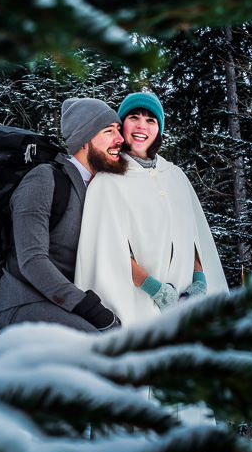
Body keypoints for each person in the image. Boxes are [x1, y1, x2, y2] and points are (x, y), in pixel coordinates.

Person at [74, 92, 229, 325]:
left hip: (187, 303)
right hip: (140, 304)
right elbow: (106, 251)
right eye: (133, 117)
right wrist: (154, 288)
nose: (141, 126)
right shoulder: (108, 180)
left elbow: (194, 236)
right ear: (120, 126)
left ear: (159, 129)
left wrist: (199, 278)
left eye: (151, 120)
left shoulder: (175, 175)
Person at [0, 97, 125, 333]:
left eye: (118, 130)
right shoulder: (44, 179)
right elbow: (32, 261)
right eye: (109, 131)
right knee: (101, 344)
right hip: (24, 302)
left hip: (62, 304)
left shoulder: (101, 188)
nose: (120, 139)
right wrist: (89, 307)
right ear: (84, 141)